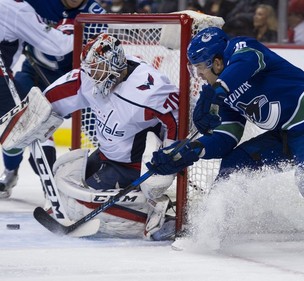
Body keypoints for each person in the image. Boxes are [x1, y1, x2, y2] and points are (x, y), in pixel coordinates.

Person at [147, 27, 304, 261]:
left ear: (216, 62)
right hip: (285, 134)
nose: (198, 76)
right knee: (234, 164)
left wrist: (217, 92)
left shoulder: (240, 48)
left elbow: (247, 62)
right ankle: (209, 230)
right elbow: (227, 138)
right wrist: (195, 150)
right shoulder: (222, 96)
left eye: (200, 68)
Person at [1, 33, 180, 240]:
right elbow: (51, 99)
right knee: (64, 181)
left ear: (114, 63)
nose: (91, 75)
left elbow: (175, 117)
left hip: (134, 165)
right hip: (106, 155)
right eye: (89, 69)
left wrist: (169, 155)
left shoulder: (148, 90)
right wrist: (30, 119)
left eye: (97, 69)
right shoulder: (89, 79)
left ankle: (162, 217)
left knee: (84, 203)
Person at [0, 0, 106, 199]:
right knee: (18, 122)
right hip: (34, 74)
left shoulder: (95, 13)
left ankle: (112, 178)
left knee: (101, 130)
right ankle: (12, 173)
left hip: (75, 81)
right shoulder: (37, 2)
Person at [0, 0, 74, 198]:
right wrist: (81, 36)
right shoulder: (16, 9)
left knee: (18, 126)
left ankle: (14, 173)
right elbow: (56, 45)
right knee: (29, 125)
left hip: (50, 75)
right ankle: (51, 189)